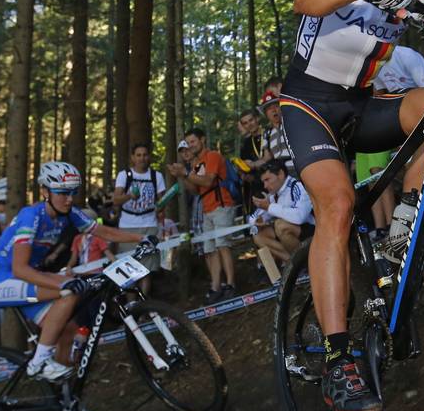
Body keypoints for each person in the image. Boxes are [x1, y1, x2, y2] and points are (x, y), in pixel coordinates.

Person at [281, 0, 424, 411]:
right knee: (337, 203)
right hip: (309, 105)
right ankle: (337, 360)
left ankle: (406, 224)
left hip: (362, 105)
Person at [0, 161, 146, 385]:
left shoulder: (69, 213)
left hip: (24, 277)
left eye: (73, 193)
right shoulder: (31, 215)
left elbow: (103, 231)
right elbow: (19, 268)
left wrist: (140, 238)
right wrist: (61, 285)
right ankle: (39, 362)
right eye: (63, 193)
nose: (69, 199)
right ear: (45, 192)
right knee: (69, 291)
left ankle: (66, 403)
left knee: (68, 332)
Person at [170, 127, 239, 304]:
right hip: (206, 210)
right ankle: (216, 286)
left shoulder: (213, 156)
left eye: (193, 141)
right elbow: (195, 190)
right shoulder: (196, 164)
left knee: (223, 245)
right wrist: (183, 176)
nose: (190, 145)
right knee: (209, 249)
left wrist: (186, 173)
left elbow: (208, 181)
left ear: (202, 140)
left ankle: (231, 284)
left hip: (222, 205)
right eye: (188, 142)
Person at [250, 160, 315, 266]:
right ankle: (295, 266)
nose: (265, 186)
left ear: (280, 174)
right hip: (297, 235)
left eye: (267, 179)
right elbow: (251, 219)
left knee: (281, 225)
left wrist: (269, 207)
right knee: (257, 234)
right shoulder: (274, 195)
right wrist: (260, 219)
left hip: (314, 233)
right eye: (263, 182)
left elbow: (300, 217)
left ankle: (307, 265)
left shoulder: (297, 186)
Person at [111, 142, 167, 255]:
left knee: (149, 263)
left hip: (150, 224)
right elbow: (116, 200)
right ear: (133, 157)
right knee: (129, 263)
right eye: (138, 155)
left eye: (145, 155)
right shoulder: (124, 175)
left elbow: (162, 202)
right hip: (128, 225)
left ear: (149, 157)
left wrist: (161, 207)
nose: (142, 158)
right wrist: (129, 196)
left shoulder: (157, 176)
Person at [66, 209, 113, 275]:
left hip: (96, 273)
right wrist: (69, 266)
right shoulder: (77, 238)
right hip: (81, 273)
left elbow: (109, 254)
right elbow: (74, 258)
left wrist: (116, 265)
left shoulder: (98, 237)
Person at [260, 92, 295, 174]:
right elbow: (267, 158)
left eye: (276, 106)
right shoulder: (267, 133)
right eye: (269, 109)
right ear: (266, 114)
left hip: (298, 169)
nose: (273, 110)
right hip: (280, 175)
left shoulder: (291, 124)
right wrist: (253, 164)